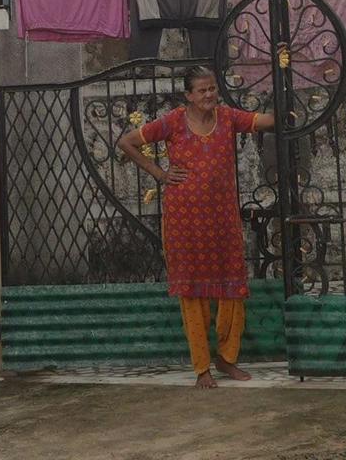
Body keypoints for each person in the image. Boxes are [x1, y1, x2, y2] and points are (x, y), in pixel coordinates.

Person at [116, 64, 277, 386]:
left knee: (233, 290)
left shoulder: (229, 117)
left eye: (212, 88)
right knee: (192, 294)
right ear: (188, 95)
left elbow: (268, 121)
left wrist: (283, 80)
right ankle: (202, 367)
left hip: (223, 221)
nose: (209, 95)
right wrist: (160, 174)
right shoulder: (173, 122)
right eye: (202, 90)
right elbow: (127, 142)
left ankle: (227, 359)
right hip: (184, 222)